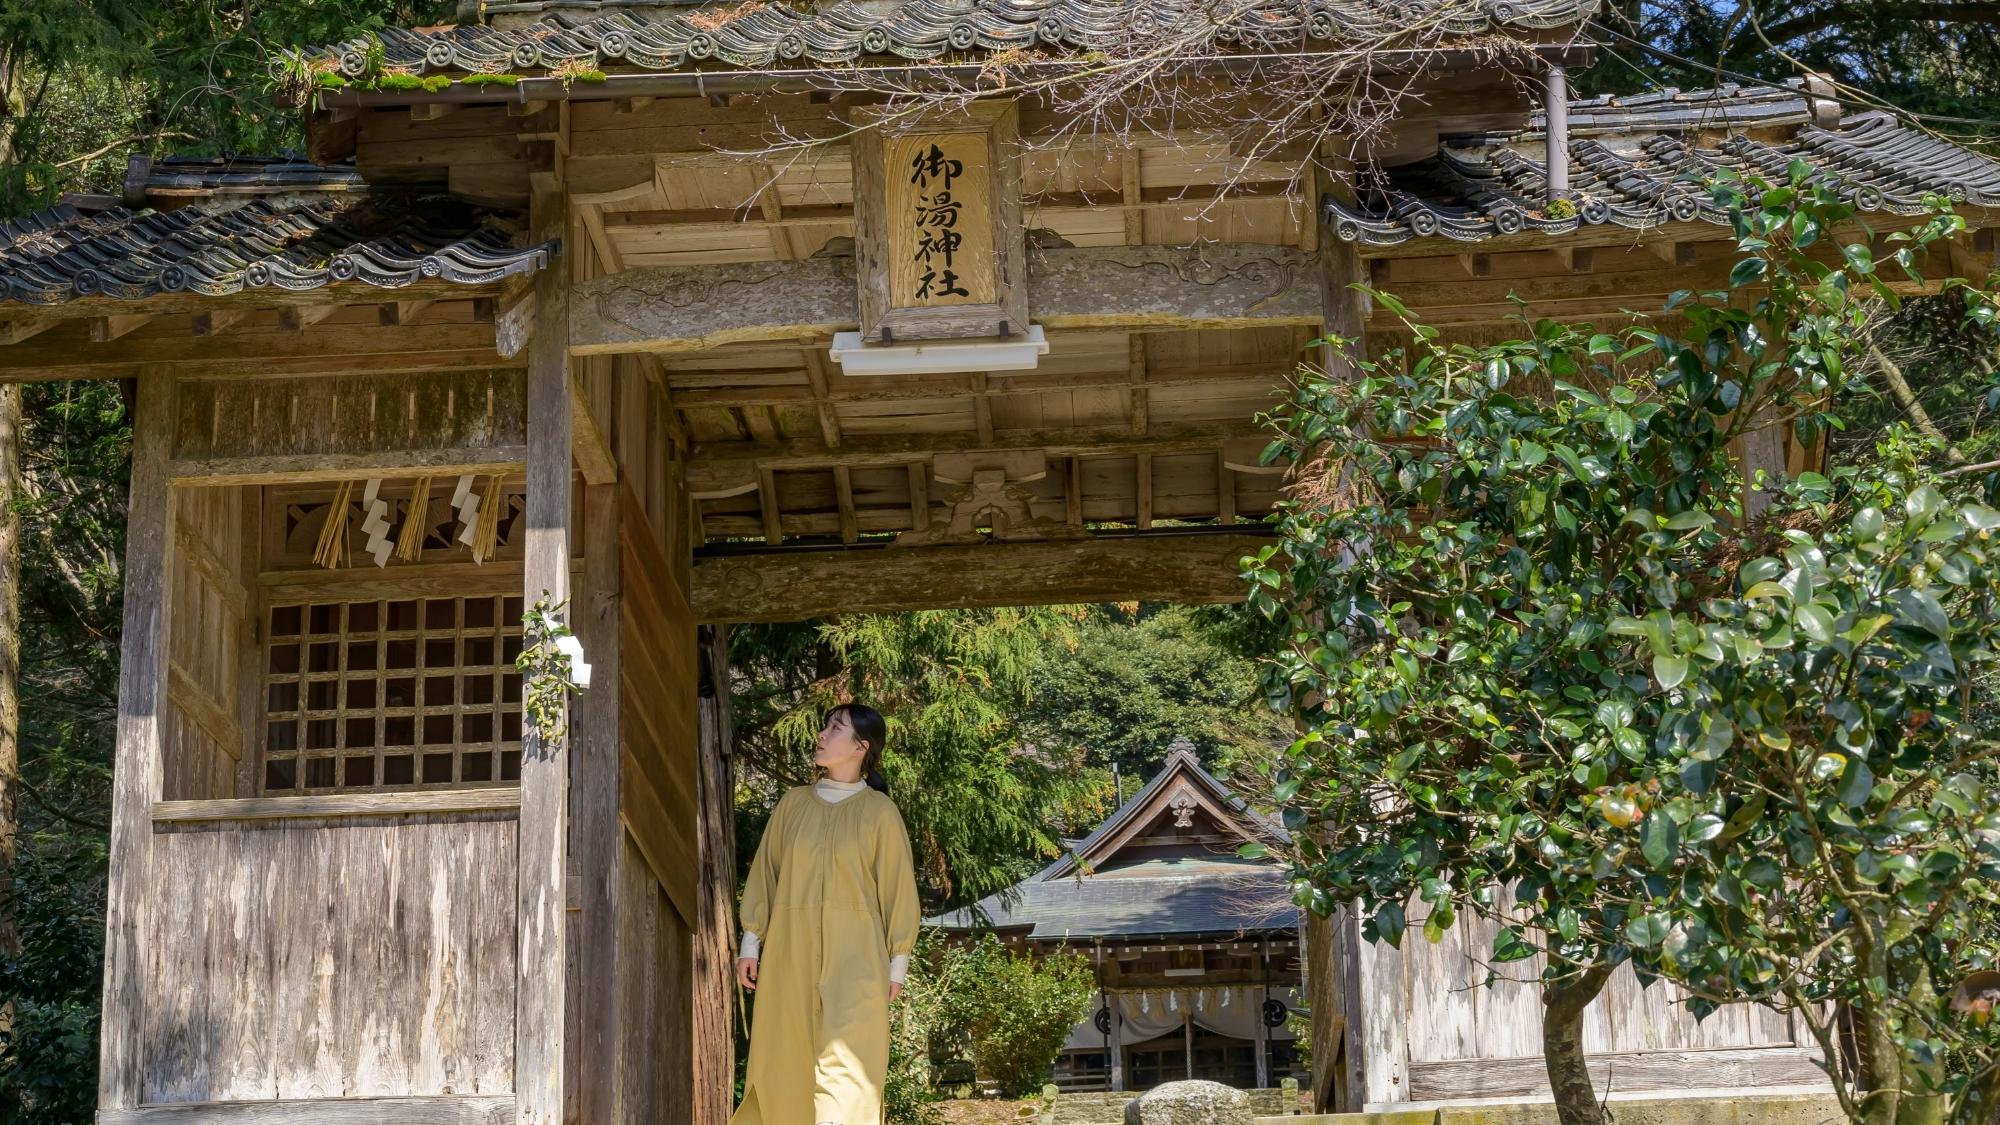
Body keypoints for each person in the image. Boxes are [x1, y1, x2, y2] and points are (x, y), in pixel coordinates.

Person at [729, 702, 921, 1125]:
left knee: (851, 1070)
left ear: (860, 748)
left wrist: (897, 965)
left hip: (858, 961)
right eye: (826, 726)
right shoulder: (792, 805)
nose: (823, 734)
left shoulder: (881, 814)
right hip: (787, 956)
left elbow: (898, 890)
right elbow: (766, 872)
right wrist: (750, 942)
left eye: (836, 728)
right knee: (783, 1060)